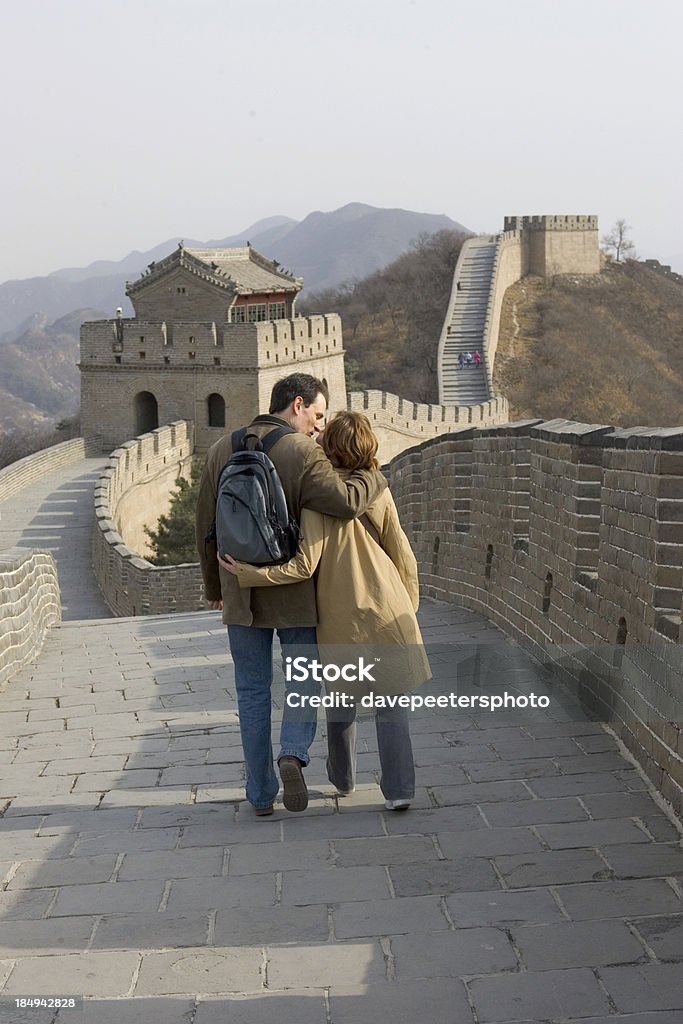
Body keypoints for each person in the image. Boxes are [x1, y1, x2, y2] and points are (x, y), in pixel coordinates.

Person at [196, 375, 386, 817]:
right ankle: (293, 753)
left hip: (238, 588)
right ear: (297, 405)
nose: (319, 427)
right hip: (292, 589)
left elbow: (206, 528)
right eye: (317, 415)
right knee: (303, 678)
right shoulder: (303, 452)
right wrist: (373, 474)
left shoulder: (220, 450)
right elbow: (345, 502)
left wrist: (214, 587)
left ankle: (260, 794)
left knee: (251, 692)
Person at [223, 411, 431, 812]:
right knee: (392, 705)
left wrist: (250, 575)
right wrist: (410, 605)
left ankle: (343, 778)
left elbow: (303, 566)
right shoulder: (380, 491)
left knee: (341, 702)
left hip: (338, 619)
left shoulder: (317, 502)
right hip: (387, 607)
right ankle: (400, 790)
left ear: (327, 448)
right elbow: (403, 555)